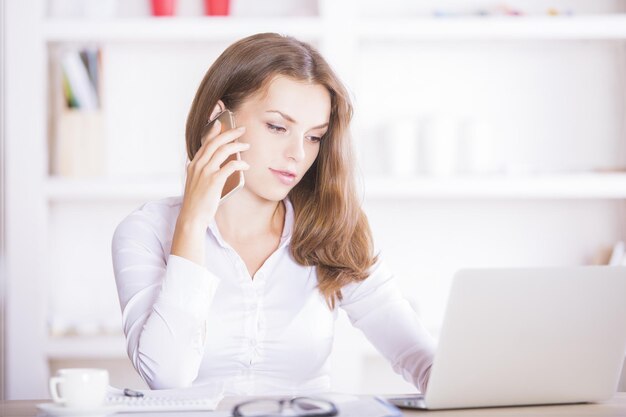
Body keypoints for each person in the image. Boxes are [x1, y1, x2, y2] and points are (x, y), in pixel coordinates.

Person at [111, 32, 435, 396]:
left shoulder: (332, 228)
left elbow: (421, 358)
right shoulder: (146, 231)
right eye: (278, 127)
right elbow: (167, 377)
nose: (298, 153)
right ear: (219, 121)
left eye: (314, 137)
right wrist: (192, 222)